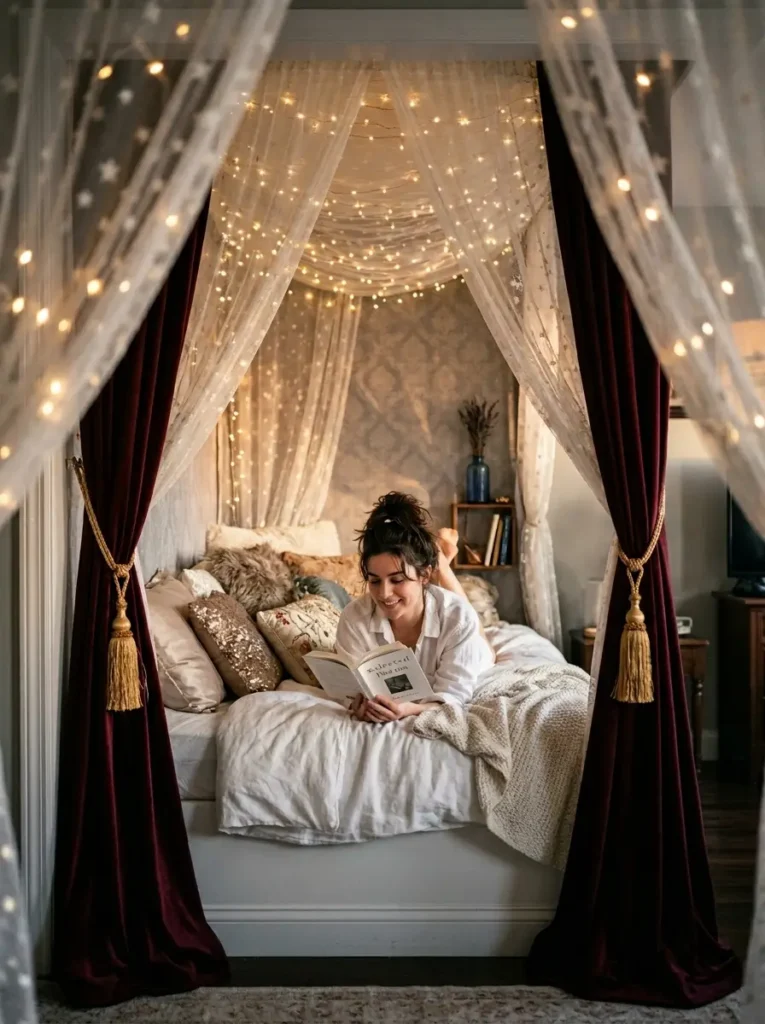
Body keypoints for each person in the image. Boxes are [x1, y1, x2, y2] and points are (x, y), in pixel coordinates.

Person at [336, 492, 494, 725]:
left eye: (397, 580)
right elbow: (349, 692)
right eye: (375, 581)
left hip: (478, 650)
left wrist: (408, 710)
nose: (384, 593)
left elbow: (454, 695)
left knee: (488, 651)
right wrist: (358, 706)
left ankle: (442, 563)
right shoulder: (353, 617)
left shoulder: (457, 616)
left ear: (424, 575)